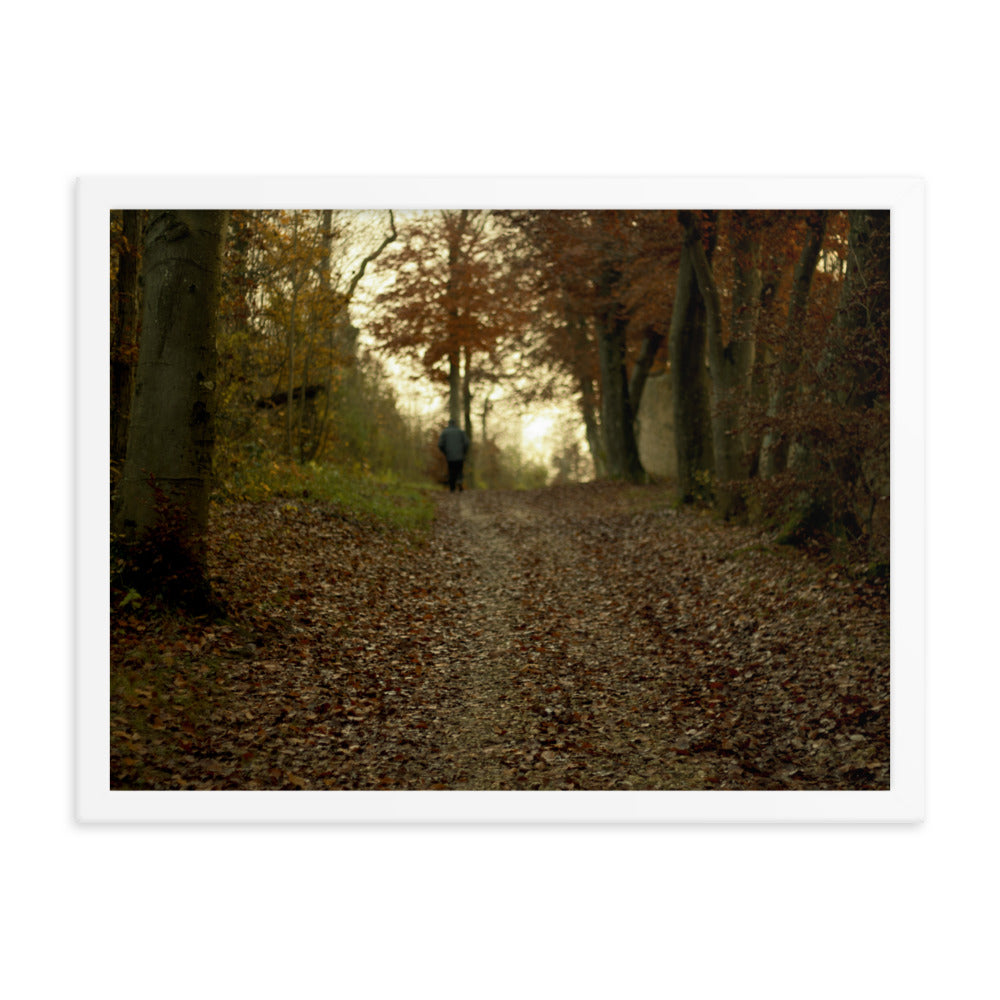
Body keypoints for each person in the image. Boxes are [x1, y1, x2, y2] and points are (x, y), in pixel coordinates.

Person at [438, 419, 469, 492]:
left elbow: (440, 444)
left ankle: (452, 488)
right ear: (455, 424)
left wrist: (445, 452)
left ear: (449, 424)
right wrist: (464, 452)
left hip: (450, 456)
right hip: (460, 455)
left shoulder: (445, 432)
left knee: (451, 470)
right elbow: (466, 443)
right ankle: (459, 481)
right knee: (459, 469)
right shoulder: (460, 432)